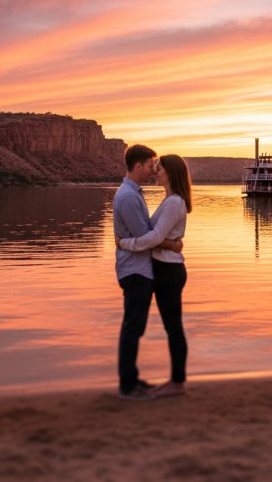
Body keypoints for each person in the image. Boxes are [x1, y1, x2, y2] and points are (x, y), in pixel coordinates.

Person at [116, 154, 192, 398]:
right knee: (172, 326)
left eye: (159, 168)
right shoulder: (169, 200)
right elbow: (157, 236)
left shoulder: (173, 202)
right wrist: (171, 244)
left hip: (169, 271)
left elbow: (154, 237)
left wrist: (125, 243)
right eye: (153, 167)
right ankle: (173, 381)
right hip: (163, 267)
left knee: (173, 327)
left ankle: (177, 382)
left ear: (170, 173)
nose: (155, 171)